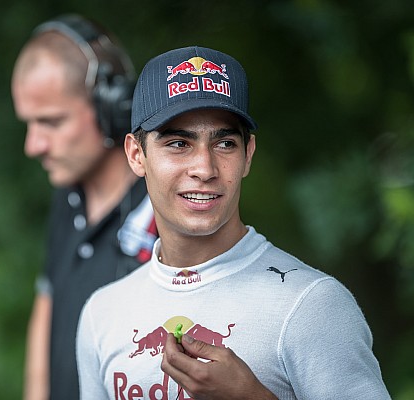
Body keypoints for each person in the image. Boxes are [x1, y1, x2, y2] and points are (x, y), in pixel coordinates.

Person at [76, 46, 391, 399]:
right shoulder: (102, 313)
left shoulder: (312, 304)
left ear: (247, 155)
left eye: (225, 143)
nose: (205, 169)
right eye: (179, 143)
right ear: (137, 155)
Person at [11, 14, 157, 400]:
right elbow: (47, 305)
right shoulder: (67, 196)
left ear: (112, 108)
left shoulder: (165, 212)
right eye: (28, 124)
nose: (33, 146)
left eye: (51, 122)